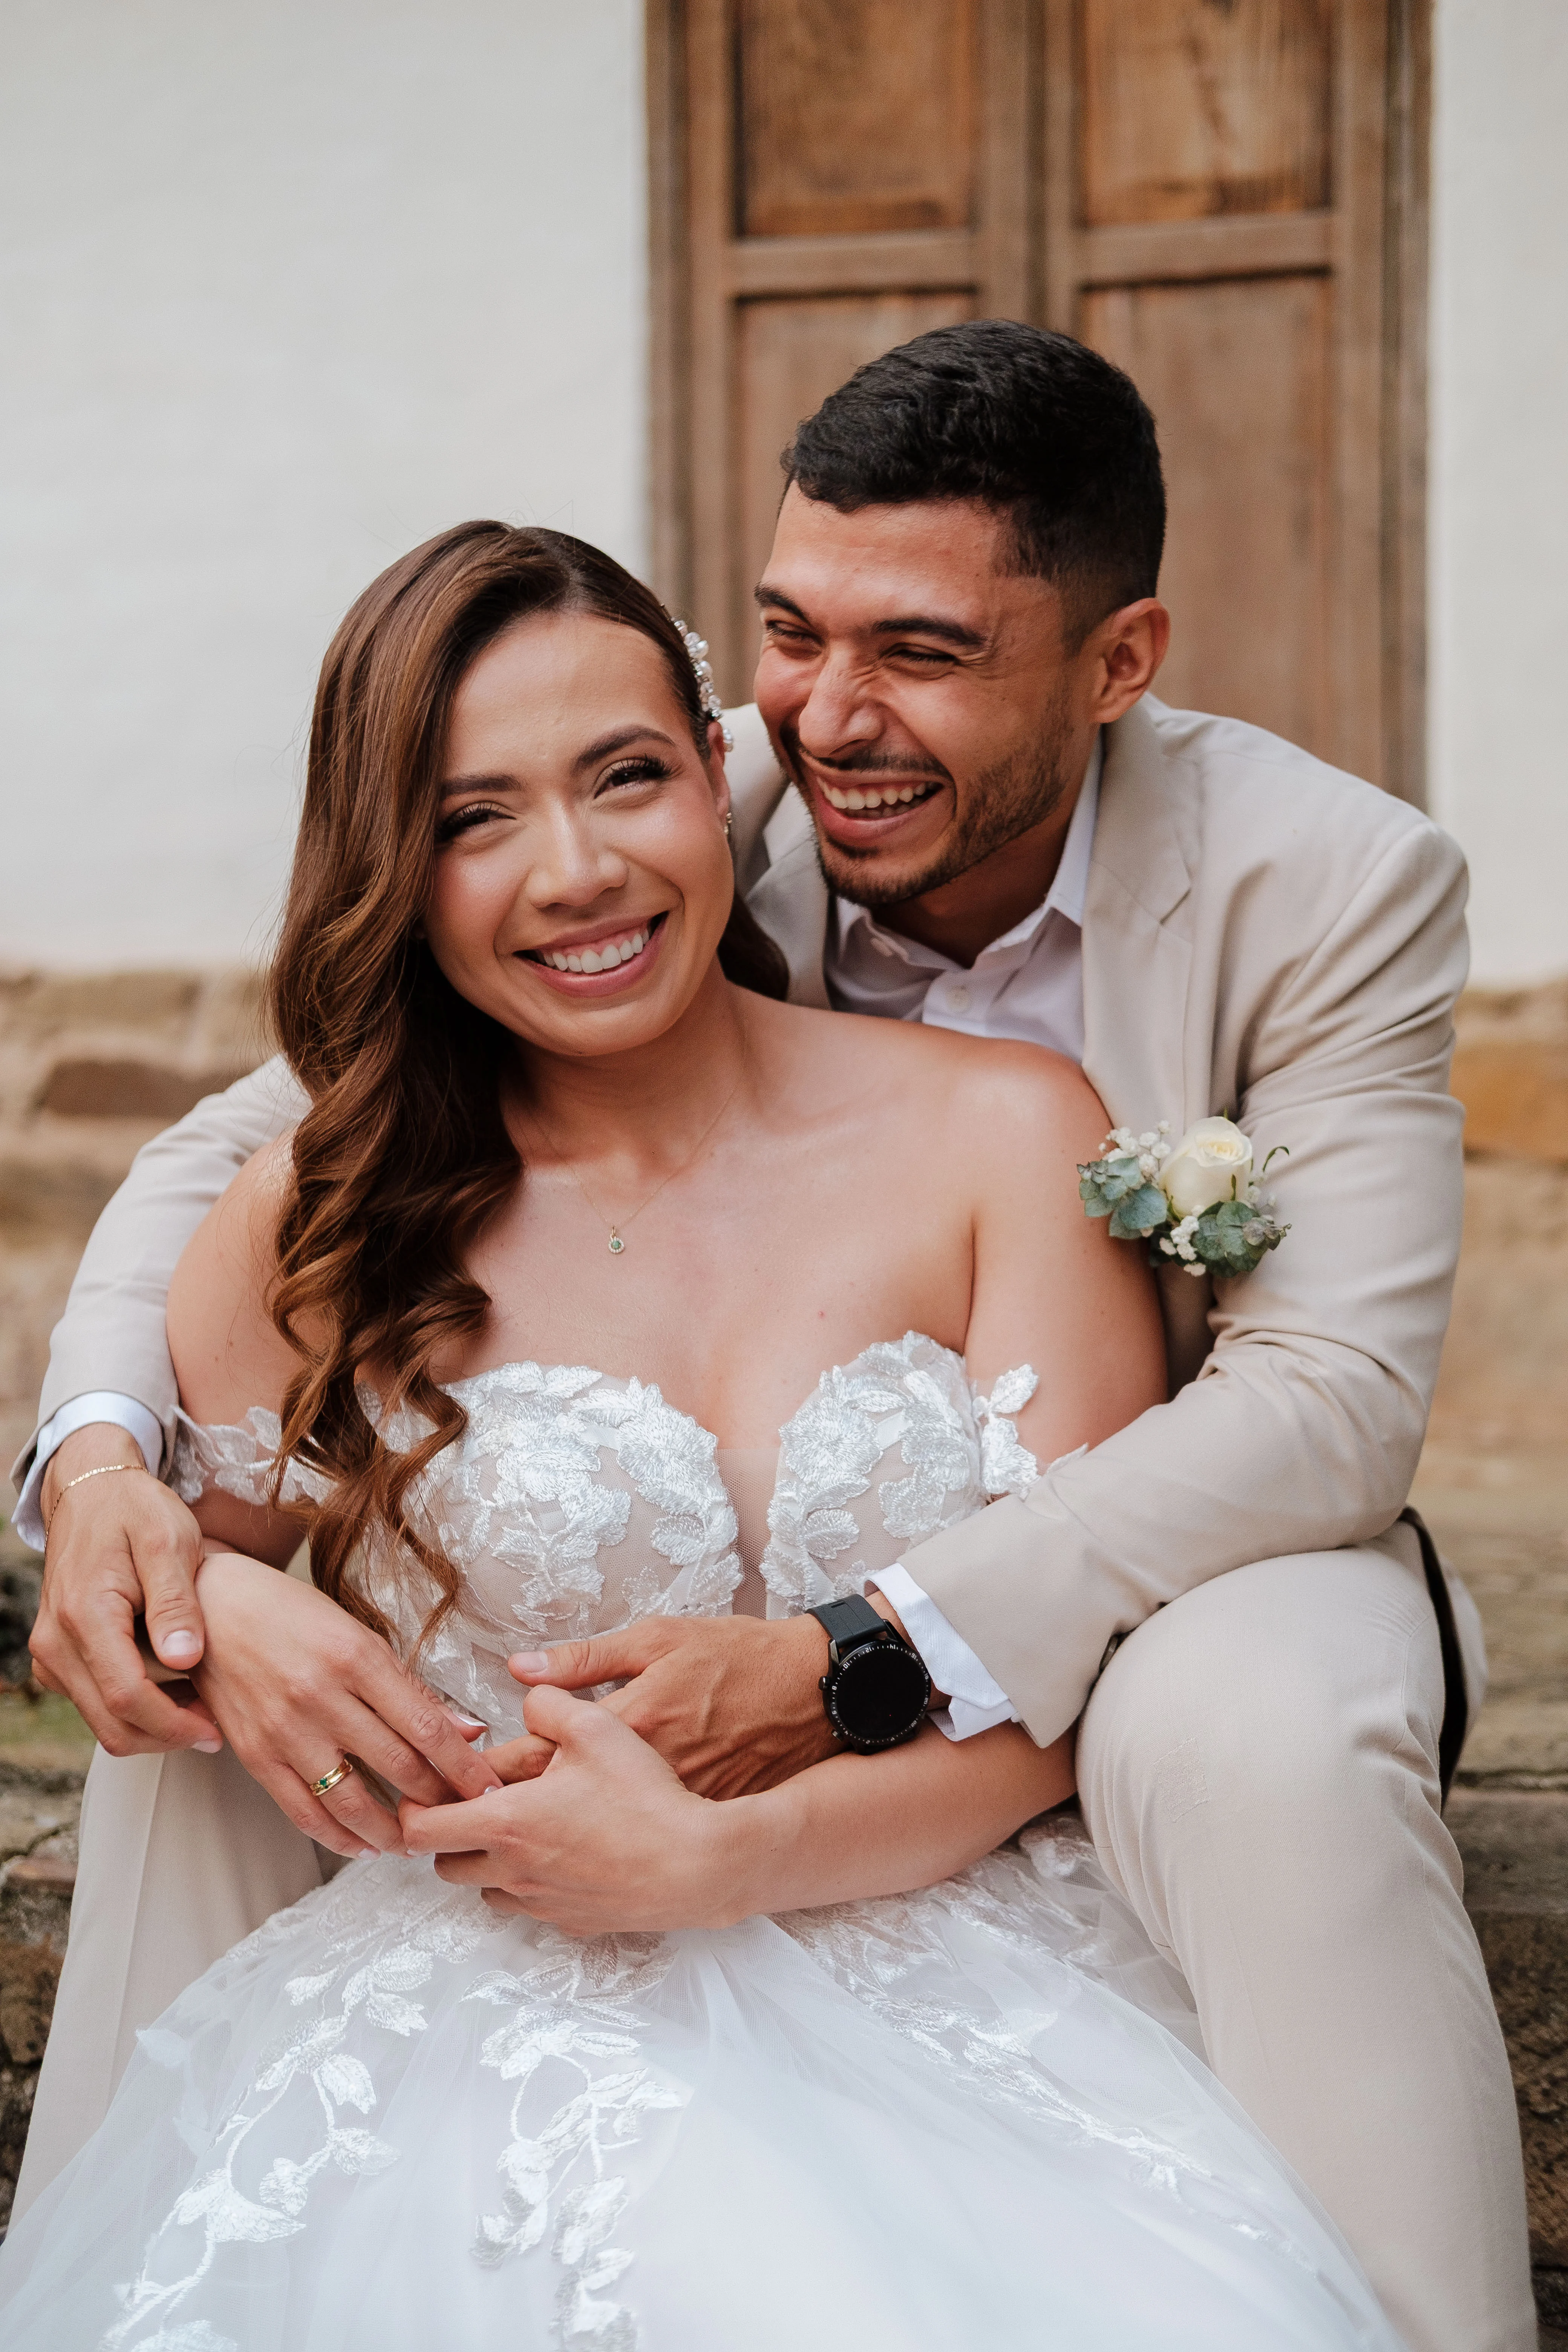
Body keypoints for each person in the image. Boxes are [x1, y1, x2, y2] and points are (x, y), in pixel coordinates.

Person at [11, 325, 1532, 2350]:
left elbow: (1329, 1402)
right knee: (190, 1721)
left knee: (1241, 1735)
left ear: (1116, 661)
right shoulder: (678, 791)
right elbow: (256, 1147)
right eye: (790, 637)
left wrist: (848, 1661)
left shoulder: (1304, 898)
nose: (831, 719)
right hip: (503, 1938)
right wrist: (146, 1513)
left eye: (922, 649)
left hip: (1196, 1553)